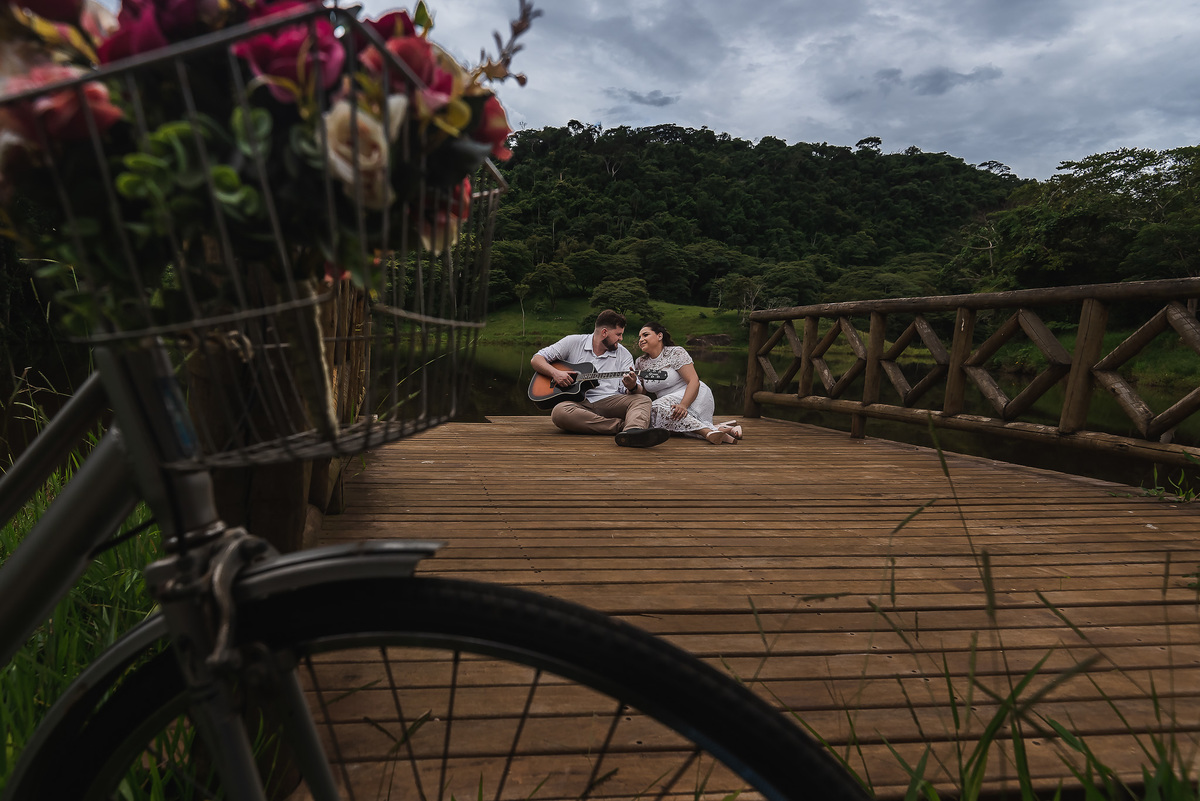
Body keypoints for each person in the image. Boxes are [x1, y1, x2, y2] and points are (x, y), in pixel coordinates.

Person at [530, 309, 671, 447]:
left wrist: (632, 385)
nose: (621, 339)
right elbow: (537, 359)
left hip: (611, 401)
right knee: (559, 413)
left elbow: (636, 391)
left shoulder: (623, 354)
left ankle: (633, 430)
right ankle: (626, 429)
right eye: (618, 334)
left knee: (643, 399)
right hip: (579, 403)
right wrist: (555, 373)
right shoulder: (573, 342)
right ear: (604, 332)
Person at [629, 321, 743, 445]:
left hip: (692, 395)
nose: (641, 339)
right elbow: (642, 392)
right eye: (640, 337)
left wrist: (683, 404)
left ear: (659, 336)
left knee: (655, 408)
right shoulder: (641, 362)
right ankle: (721, 430)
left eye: (645, 335)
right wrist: (632, 385)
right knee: (648, 417)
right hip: (668, 405)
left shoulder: (675, 352)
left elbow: (694, 380)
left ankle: (706, 432)